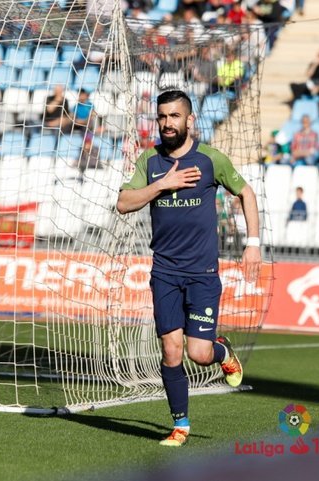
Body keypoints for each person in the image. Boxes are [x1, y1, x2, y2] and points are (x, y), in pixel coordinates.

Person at [116, 89, 261, 447]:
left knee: (199, 353)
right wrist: (162, 185)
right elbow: (123, 203)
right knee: (170, 350)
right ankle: (180, 424)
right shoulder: (149, 162)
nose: (167, 123)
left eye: (174, 116)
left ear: (190, 120)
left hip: (202, 274)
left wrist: (253, 244)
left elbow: (247, 194)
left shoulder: (211, 160)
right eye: (162, 116)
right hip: (164, 271)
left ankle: (222, 352)